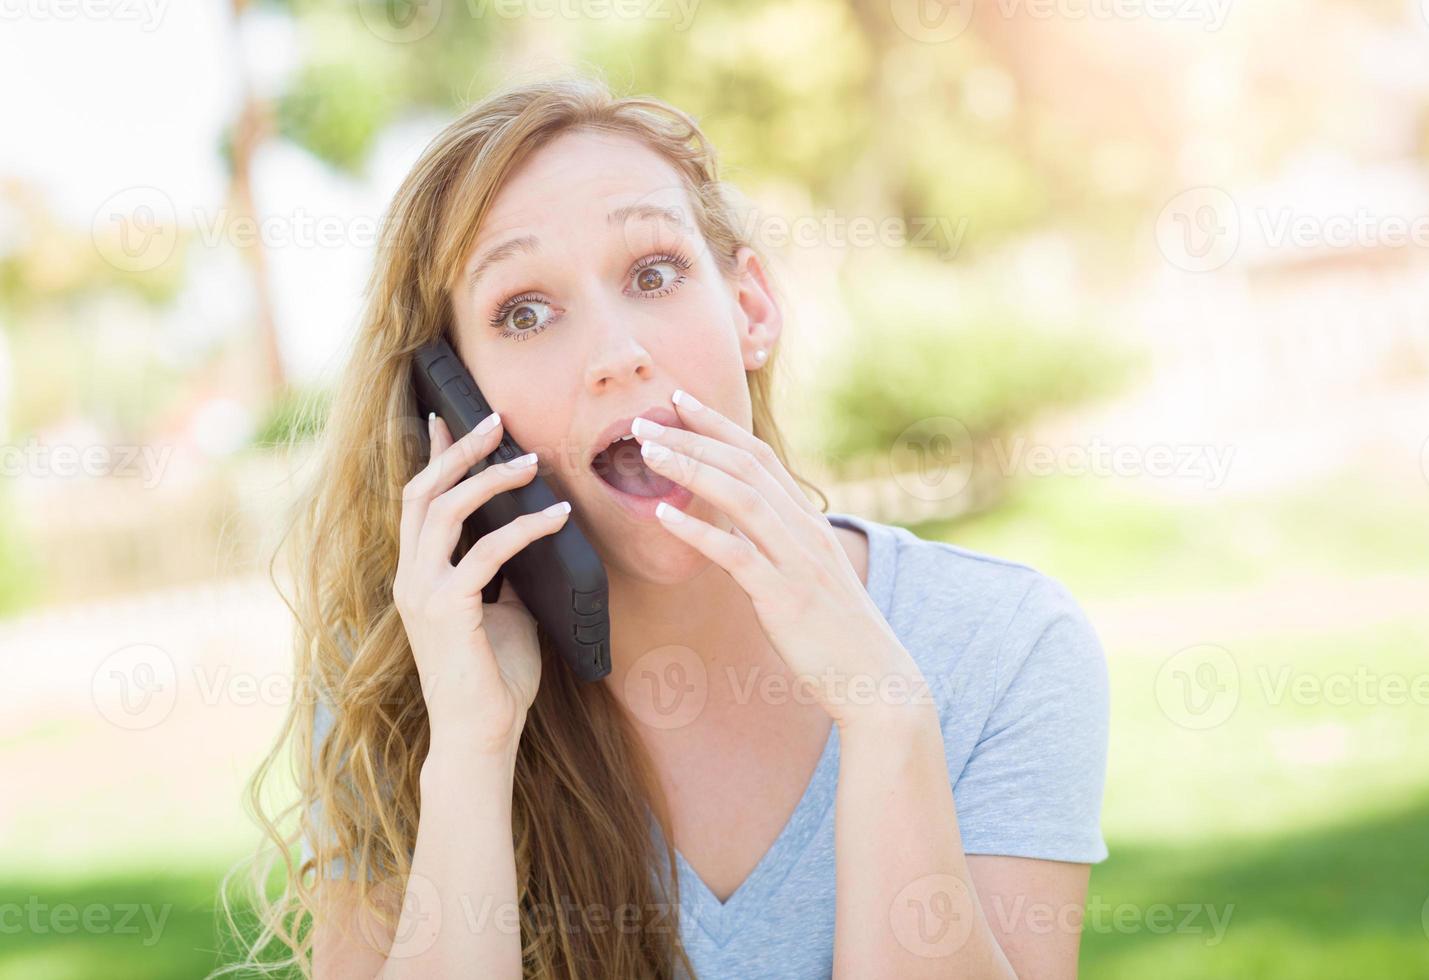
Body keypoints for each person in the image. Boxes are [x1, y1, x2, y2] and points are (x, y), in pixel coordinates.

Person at [220, 73, 1109, 980]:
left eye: (654, 273)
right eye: (524, 313)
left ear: (750, 310)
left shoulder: (1002, 647)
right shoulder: (406, 683)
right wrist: (471, 752)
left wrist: (887, 717)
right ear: (450, 402)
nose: (617, 354)